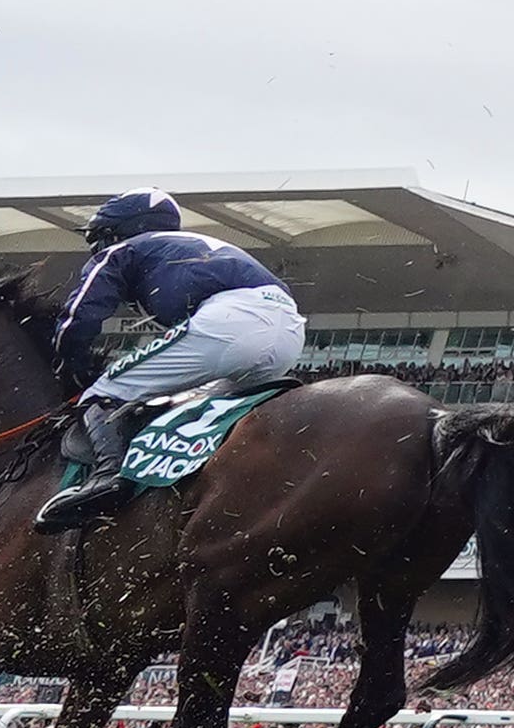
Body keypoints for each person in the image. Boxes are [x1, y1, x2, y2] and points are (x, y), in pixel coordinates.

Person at [33, 193, 309, 533]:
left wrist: (70, 364)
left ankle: (107, 477)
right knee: (205, 412)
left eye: (99, 237)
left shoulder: (122, 250)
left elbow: (79, 317)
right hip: (290, 331)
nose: (96, 247)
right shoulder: (190, 244)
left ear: (120, 231)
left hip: (231, 323)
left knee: (103, 390)